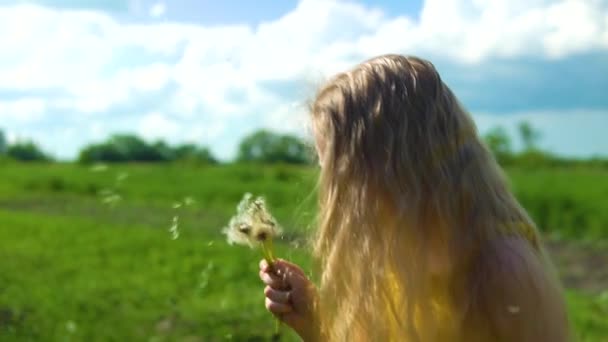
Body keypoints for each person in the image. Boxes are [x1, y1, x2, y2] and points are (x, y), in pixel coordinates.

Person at [259, 54, 571, 341]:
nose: (330, 187)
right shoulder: (389, 255)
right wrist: (315, 321)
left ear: (386, 166)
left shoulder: (501, 272)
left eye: (334, 168)